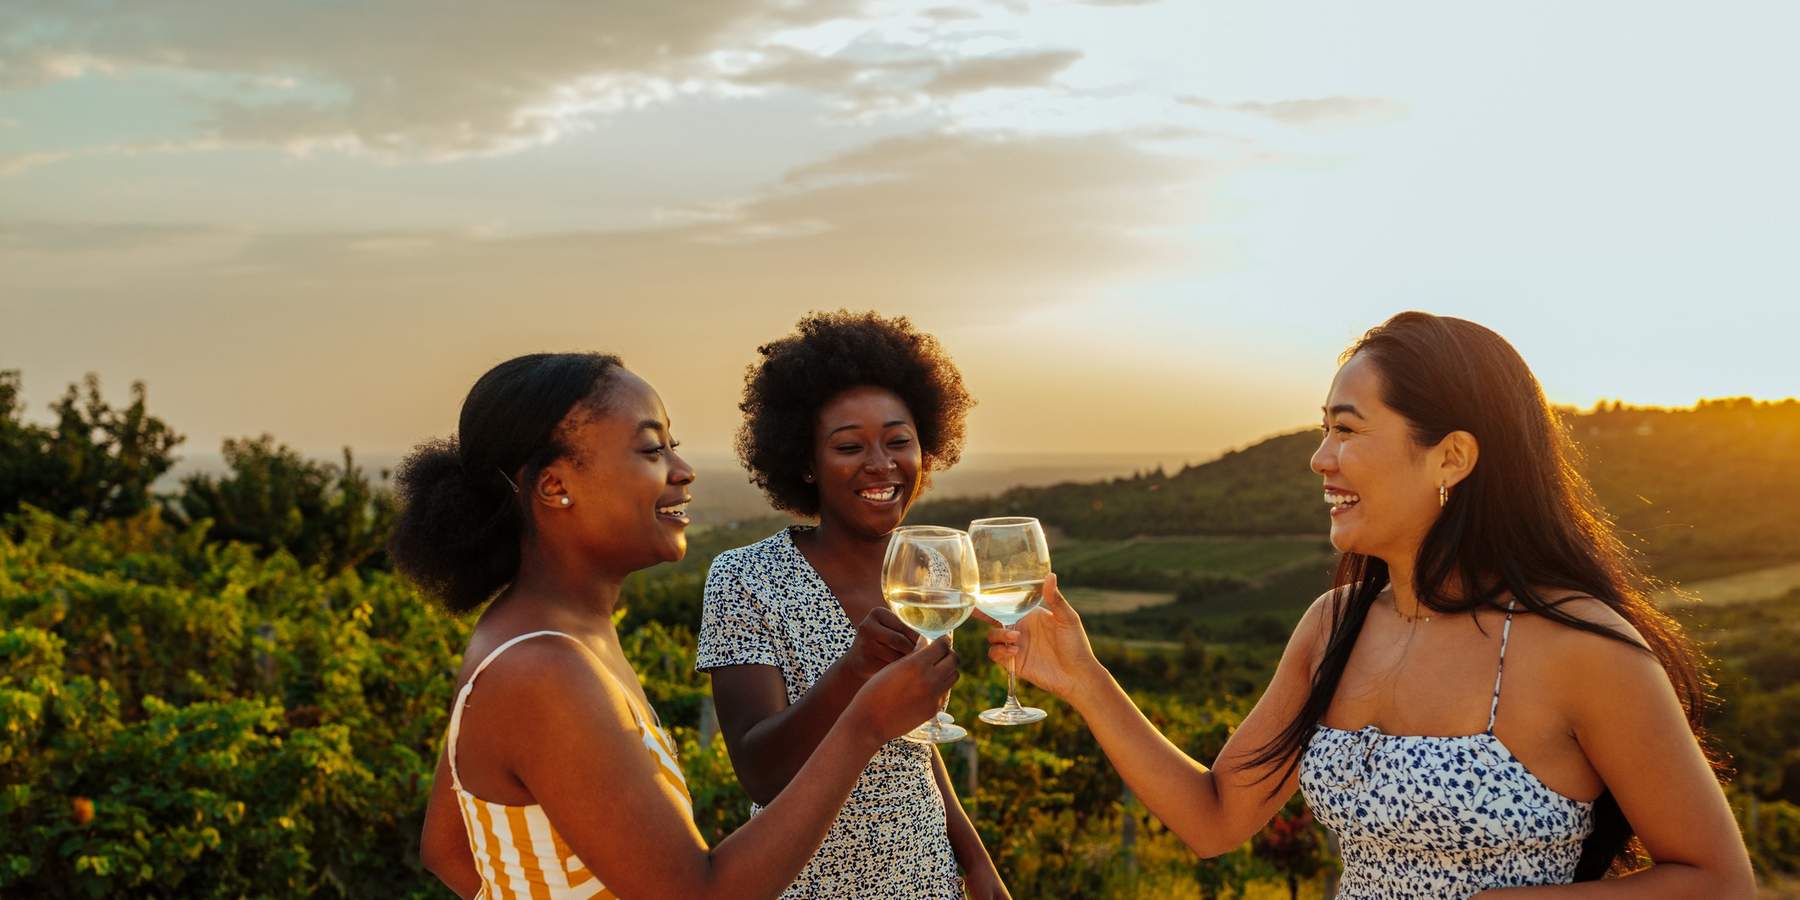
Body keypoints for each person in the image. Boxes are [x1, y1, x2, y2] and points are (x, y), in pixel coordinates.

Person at [987, 312, 1756, 898]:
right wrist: (1085, 680)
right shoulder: (1333, 626)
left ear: (1451, 457)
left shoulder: (1579, 647)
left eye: (1346, 430)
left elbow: (1717, 881)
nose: (1319, 458)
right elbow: (1214, 818)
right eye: (1323, 429)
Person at [399, 352, 958, 899]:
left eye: (673, 445)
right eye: (651, 449)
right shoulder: (544, 668)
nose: (683, 470)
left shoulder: (538, 633)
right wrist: (864, 726)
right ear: (553, 486)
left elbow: (448, 847)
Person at [698, 311, 1007, 899]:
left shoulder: (926, 569)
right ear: (805, 462)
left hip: (927, 878)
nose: (881, 464)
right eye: (848, 446)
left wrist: (977, 863)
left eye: (899, 441)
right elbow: (761, 774)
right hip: (813, 883)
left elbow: (915, 744)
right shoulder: (745, 577)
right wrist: (854, 672)